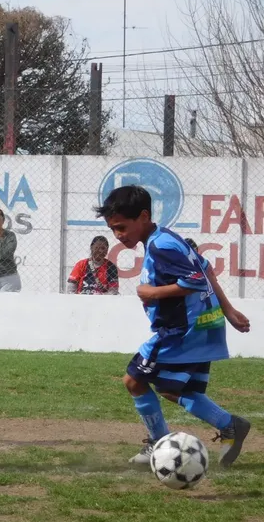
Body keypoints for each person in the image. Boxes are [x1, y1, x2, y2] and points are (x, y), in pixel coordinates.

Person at [95, 185, 252, 467]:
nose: (118, 235)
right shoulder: (166, 238)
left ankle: (157, 445)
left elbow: (194, 280)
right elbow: (205, 268)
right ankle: (230, 425)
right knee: (172, 388)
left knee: (134, 380)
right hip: (205, 325)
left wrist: (151, 293)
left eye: (121, 227)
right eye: (113, 229)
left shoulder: (161, 245)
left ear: (143, 216)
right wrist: (228, 311)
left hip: (182, 331)